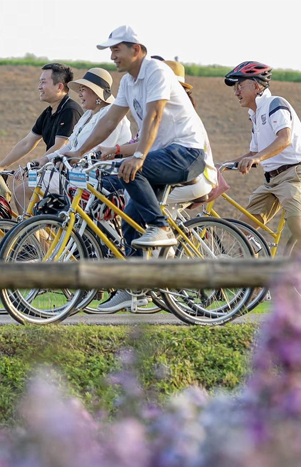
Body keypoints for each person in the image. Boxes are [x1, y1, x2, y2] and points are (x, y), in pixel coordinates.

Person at [63, 25, 210, 312]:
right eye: (111, 51)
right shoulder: (129, 83)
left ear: (136, 50)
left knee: (129, 170)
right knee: (130, 225)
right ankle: (135, 289)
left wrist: (139, 156)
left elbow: (154, 115)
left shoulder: (156, 71)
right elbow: (109, 122)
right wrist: (79, 151)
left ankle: (161, 226)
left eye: (116, 50)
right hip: (163, 156)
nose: (112, 57)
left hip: (186, 152)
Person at [221, 61, 301, 259]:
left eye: (240, 86)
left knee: (296, 226)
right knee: (243, 229)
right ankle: (260, 288)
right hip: (272, 181)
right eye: (235, 87)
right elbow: (253, 153)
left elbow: (284, 139)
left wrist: (258, 158)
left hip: (296, 174)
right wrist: (222, 165)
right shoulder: (255, 114)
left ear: (257, 86)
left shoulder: (275, 104)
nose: (236, 92)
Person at [97, 58, 217, 207]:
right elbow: (143, 141)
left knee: (130, 192)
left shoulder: (174, 113)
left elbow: (150, 142)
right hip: (184, 170)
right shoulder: (161, 109)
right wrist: (117, 150)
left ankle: (157, 226)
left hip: (196, 175)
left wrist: (119, 151)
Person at [0, 63, 83, 208]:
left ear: (59, 87)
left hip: (69, 174)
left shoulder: (70, 111)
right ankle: (36, 229)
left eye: (43, 82)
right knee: (39, 212)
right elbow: (27, 143)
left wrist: (35, 165)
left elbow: (60, 146)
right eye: (39, 82)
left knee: (21, 192)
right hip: (53, 171)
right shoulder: (48, 112)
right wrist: (1, 166)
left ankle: (32, 230)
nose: (39, 87)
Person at [29, 67, 132, 194]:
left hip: (103, 180)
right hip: (79, 175)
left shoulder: (112, 115)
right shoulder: (87, 115)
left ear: (96, 93)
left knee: (31, 187)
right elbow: (71, 146)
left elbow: (100, 153)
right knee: (36, 188)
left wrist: (72, 160)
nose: (79, 94)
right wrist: (46, 159)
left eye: (83, 90)